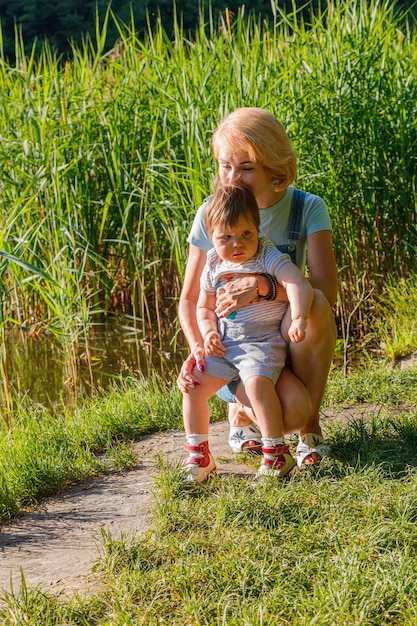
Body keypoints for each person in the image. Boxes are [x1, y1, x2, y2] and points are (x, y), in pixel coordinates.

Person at [178, 107, 337, 468]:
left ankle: (309, 430)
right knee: (284, 410)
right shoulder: (211, 214)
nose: (231, 178)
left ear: (276, 174)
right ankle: (240, 410)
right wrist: (198, 348)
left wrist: (264, 287)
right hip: (234, 343)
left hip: (282, 335)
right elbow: (190, 299)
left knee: (314, 306)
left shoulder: (307, 208)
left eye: (246, 168)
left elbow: (327, 288)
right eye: (224, 165)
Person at [182, 184, 313, 482]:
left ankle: (277, 453)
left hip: (261, 344)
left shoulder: (267, 254)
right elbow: (203, 307)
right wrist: (207, 334)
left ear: (257, 229)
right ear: (211, 236)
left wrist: (300, 317)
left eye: (245, 234)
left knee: (255, 383)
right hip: (225, 346)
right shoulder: (213, 262)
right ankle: (200, 455)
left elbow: (297, 282)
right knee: (192, 386)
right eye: (225, 237)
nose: (237, 244)